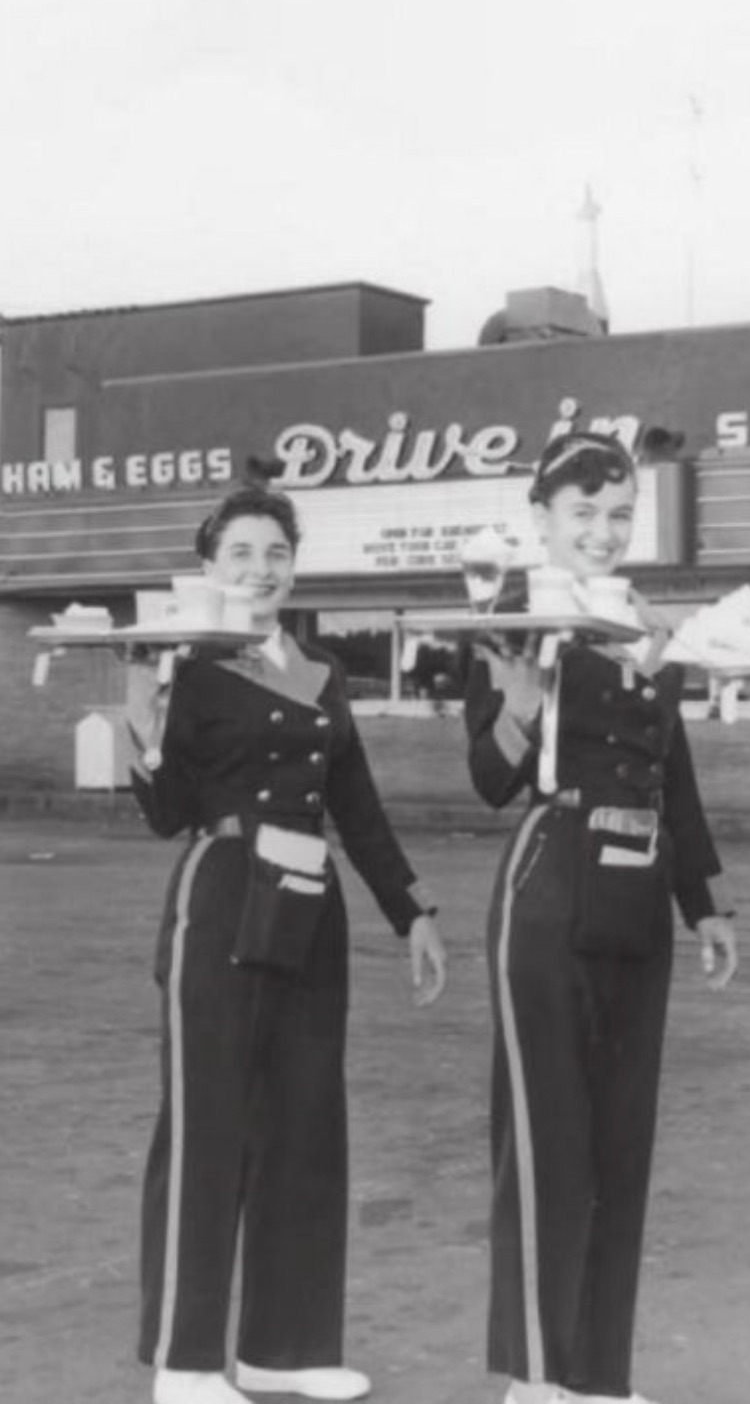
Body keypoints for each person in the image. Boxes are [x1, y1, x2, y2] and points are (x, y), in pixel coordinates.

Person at [133, 484, 449, 1404]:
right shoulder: (182, 669)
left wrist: (413, 912)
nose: (260, 570)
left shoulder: (320, 673)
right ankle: (185, 1364)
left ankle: (285, 1347)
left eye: (275, 553)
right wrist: (142, 727)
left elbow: (357, 807)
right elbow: (165, 816)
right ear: (208, 568)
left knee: (307, 1123)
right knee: (208, 1125)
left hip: (313, 907)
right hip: (224, 894)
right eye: (240, 554)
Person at [464, 431, 739, 1404]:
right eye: (581, 511)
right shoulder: (510, 614)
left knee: (622, 1135)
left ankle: (598, 1378)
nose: (601, 530)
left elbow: (675, 771)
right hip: (552, 875)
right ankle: (536, 1376)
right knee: (547, 1133)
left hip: (640, 886)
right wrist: (523, 703)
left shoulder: (648, 622)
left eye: (618, 512)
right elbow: (492, 779)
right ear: (540, 516)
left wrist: (701, 898)